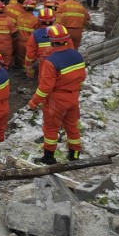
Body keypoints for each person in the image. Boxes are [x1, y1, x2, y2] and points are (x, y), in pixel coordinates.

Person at [28, 25, 86, 165]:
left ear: (51, 41)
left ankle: (49, 157)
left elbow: (45, 87)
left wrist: (34, 102)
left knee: (50, 128)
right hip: (73, 97)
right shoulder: (77, 55)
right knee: (72, 126)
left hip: (56, 100)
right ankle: (75, 154)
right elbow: (82, 77)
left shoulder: (50, 61)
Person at [24, 8, 57, 78]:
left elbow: (30, 53)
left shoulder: (35, 34)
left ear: (39, 20)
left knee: (44, 81)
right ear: (54, 20)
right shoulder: (61, 31)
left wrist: (28, 65)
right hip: (60, 61)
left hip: (44, 62)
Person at [14, 0, 39, 70]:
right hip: (29, 42)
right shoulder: (35, 19)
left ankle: (22, 68)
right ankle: (29, 71)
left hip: (19, 41)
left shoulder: (19, 17)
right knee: (30, 58)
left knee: (20, 56)